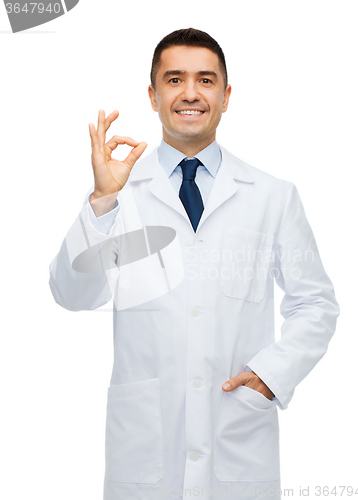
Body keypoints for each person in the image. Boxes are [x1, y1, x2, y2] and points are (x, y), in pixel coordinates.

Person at [49, 28, 340, 500]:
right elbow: (72, 293)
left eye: (206, 81)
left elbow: (316, 303)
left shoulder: (272, 196)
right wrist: (103, 199)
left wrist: (272, 373)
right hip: (145, 449)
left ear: (226, 97)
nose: (189, 93)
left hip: (238, 439)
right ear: (153, 94)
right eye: (174, 79)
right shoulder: (121, 192)